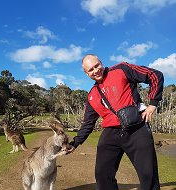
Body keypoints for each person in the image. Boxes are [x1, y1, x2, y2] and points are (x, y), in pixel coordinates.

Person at [67, 54, 164, 190]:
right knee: (102, 174)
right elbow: (87, 124)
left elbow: (154, 75)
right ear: (86, 73)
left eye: (97, 66)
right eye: (90, 70)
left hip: (136, 128)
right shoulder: (92, 96)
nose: (95, 71)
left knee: (148, 175)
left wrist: (153, 104)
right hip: (111, 132)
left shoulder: (121, 69)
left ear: (101, 62)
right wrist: (75, 143)